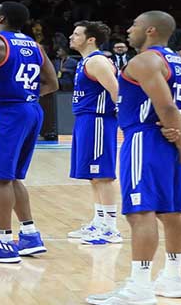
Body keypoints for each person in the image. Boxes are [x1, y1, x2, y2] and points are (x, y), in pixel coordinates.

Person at [86, 11, 181, 304]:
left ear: (150, 30)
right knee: (172, 211)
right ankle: (173, 279)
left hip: (144, 138)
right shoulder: (178, 63)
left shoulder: (145, 61)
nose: (128, 29)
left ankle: (139, 287)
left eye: (134, 25)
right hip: (163, 140)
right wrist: (178, 136)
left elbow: (168, 109)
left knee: (140, 212)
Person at [0, 2, 58, 264]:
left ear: (1, 18)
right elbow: (53, 83)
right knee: (12, 176)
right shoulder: (35, 46)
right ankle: (29, 235)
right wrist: (23, 95)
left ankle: (3, 243)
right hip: (31, 110)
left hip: (3, 113)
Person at [66, 21, 121, 245]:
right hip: (86, 119)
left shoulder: (97, 61)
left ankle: (111, 228)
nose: (71, 37)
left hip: (99, 120)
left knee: (103, 175)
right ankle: (99, 222)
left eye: (76, 34)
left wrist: (125, 118)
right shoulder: (85, 61)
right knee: (92, 175)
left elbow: (116, 90)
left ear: (91, 39)